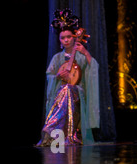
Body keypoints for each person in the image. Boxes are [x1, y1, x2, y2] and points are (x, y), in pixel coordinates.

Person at [36, 9, 100, 147]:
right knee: (65, 89)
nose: (66, 40)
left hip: (78, 91)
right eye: (62, 38)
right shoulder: (57, 58)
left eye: (69, 37)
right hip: (61, 93)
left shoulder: (81, 56)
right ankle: (64, 134)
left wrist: (85, 52)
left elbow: (93, 68)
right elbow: (50, 75)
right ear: (59, 40)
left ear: (74, 37)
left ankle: (53, 127)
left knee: (69, 89)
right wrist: (58, 76)